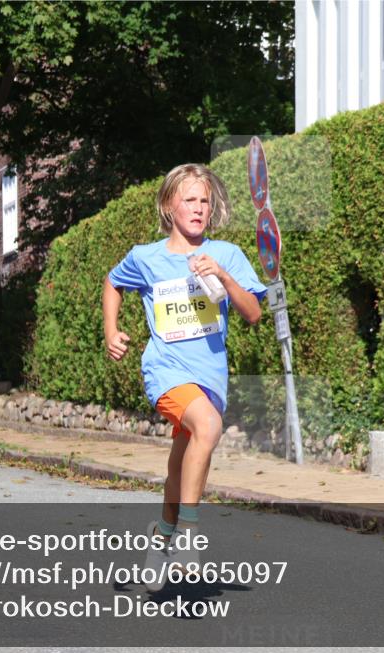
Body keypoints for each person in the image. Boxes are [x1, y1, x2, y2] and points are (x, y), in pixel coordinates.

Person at [103, 163, 265, 591]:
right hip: (165, 371)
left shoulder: (226, 254)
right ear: (168, 205)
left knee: (184, 457)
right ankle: (188, 536)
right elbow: (112, 282)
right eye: (189, 199)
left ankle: (161, 537)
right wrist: (111, 331)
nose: (198, 208)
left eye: (205, 201)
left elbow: (253, 314)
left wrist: (223, 276)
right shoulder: (146, 257)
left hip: (209, 377)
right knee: (207, 427)